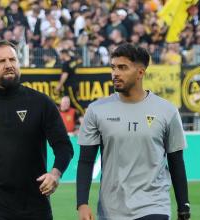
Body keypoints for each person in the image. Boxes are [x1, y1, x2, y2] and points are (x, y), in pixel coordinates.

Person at [0, 40, 74, 220]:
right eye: (1, 61)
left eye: (13, 59)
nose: (9, 65)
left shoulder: (41, 103)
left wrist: (55, 173)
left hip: (35, 207)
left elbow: (64, 146)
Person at [76, 43, 190, 220]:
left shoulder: (167, 111)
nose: (115, 73)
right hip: (111, 209)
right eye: (113, 67)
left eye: (122, 68)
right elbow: (85, 161)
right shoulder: (96, 110)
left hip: (154, 205)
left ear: (140, 73)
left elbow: (176, 162)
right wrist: (82, 203)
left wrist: (184, 206)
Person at [55, 49, 85, 115]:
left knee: (74, 102)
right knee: (70, 103)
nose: (59, 56)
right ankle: (75, 116)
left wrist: (59, 85)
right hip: (75, 84)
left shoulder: (65, 64)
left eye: (60, 55)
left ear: (64, 54)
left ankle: (84, 115)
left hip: (70, 86)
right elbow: (80, 60)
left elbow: (65, 75)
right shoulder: (73, 60)